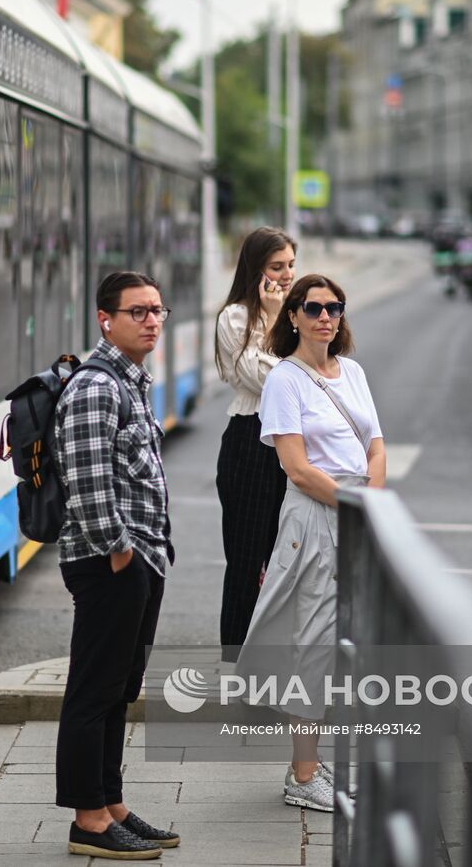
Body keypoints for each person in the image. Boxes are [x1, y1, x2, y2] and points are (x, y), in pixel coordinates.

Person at [235, 273, 386, 813]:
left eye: (335, 308)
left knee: (349, 641)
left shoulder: (354, 372)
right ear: (293, 316)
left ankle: (316, 762)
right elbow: (296, 469)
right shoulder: (285, 380)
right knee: (316, 643)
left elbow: (375, 443)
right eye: (314, 307)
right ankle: (302, 774)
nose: (326, 317)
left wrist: (375, 499)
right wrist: (355, 507)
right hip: (318, 515)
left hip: (357, 508)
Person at [54, 271, 179, 860]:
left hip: (138, 560)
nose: (152, 320)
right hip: (109, 562)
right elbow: (86, 483)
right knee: (93, 690)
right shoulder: (96, 387)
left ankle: (111, 802)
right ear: (106, 319)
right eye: (138, 311)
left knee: (117, 689)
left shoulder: (133, 382)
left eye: (158, 310)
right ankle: (88, 821)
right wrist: (120, 549)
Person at [214, 226, 296, 661]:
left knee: (287, 558)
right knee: (247, 559)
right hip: (250, 440)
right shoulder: (235, 317)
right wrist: (270, 319)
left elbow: (313, 373)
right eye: (276, 267)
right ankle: (235, 660)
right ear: (255, 269)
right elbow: (265, 379)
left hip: (291, 444)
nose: (285, 276)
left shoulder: (297, 312)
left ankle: (273, 654)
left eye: (290, 266)